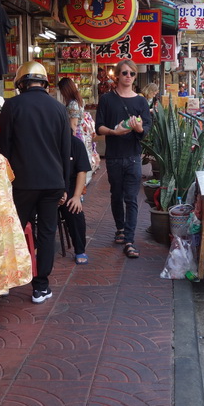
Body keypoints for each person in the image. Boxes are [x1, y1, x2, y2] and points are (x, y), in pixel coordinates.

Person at [0, 61, 71, 304]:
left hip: (22, 183)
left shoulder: (12, 105)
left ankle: (8, 280)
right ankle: (41, 286)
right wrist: (64, 187)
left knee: (14, 230)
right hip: (52, 183)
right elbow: (65, 150)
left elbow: (3, 148)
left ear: (21, 83)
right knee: (47, 233)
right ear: (44, 83)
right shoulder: (59, 109)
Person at [95, 59, 151, 259]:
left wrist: (139, 129)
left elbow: (146, 132)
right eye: (125, 73)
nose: (128, 76)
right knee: (116, 195)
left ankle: (129, 239)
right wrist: (113, 132)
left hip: (133, 157)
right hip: (113, 156)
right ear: (117, 75)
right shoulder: (107, 100)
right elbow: (99, 127)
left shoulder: (141, 102)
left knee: (132, 198)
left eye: (132, 74)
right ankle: (120, 228)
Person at [58, 76, 100, 180]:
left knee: (76, 164)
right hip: (80, 134)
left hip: (76, 135)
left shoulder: (72, 104)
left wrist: (70, 141)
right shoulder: (77, 101)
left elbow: (73, 124)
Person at [60, 133, 91, 265]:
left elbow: (82, 171)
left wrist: (77, 196)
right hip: (50, 186)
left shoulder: (76, 144)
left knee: (74, 208)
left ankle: (80, 249)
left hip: (71, 186)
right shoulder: (45, 142)